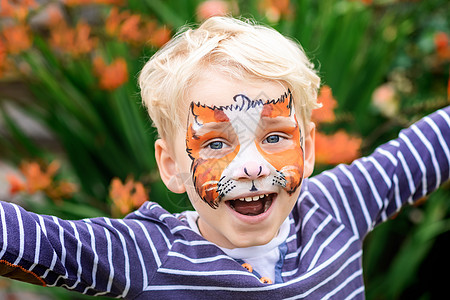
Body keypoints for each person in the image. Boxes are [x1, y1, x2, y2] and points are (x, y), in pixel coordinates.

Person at [0, 16, 449, 299]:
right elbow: (46, 242)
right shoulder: (151, 254)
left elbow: (427, 147)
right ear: (171, 165)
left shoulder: (334, 209)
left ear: (308, 148)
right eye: (215, 144)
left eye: (275, 137)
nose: (252, 167)